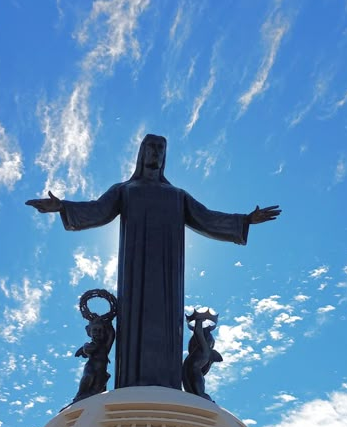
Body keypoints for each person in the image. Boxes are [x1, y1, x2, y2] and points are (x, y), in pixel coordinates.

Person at [26, 134, 281, 391]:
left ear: (165, 155)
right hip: (135, 273)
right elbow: (97, 210)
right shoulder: (125, 190)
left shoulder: (177, 196)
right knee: (135, 324)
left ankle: (168, 388)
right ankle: (130, 388)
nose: (156, 152)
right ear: (141, 153)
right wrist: (62, 207)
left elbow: (207, 218)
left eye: (161, 148)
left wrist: (246, 220)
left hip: (169, 275)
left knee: (167, 326)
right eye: (151, 147)